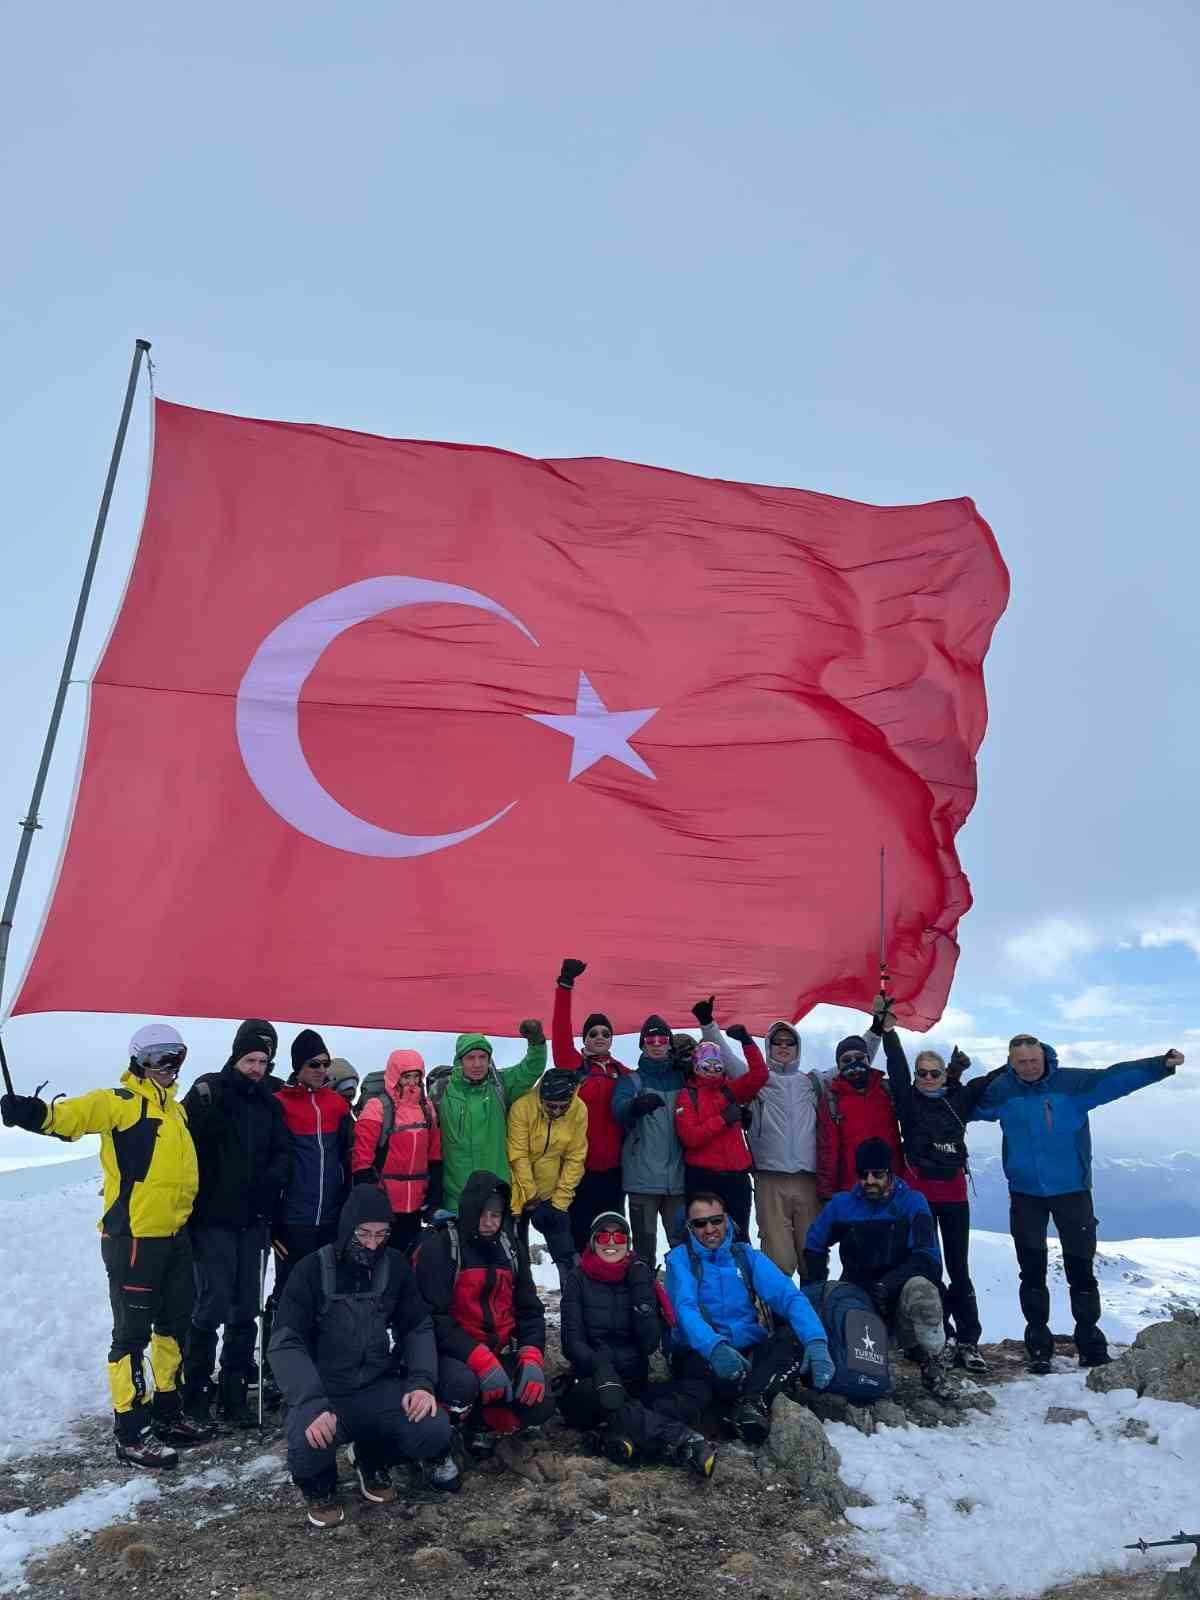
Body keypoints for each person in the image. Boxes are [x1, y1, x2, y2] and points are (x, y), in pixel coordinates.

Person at [1, 1023, 208, 1468]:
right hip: (134, 1239)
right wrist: (32, 1113)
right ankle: (130, 1432)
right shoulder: (121, 1102)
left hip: (175, 1237)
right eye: (158, 1057)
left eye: (176, 1056)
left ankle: (168, 1414)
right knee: (131, 1337)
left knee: (174, 1328)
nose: (168, 1066)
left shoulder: (176, 1111)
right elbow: (72, 1117)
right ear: (138, 1061)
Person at [969, 1035, 1184, 1373]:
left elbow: (1114, 1078)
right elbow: (966, 1106)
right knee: (1032, 1273)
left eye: (1033, 1061)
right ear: (1010, 1063)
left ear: (1045, 1058)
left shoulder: (1072, 1083)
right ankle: (1039, 1348)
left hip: (1072, 1191)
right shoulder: (1002, 1090)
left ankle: (1091, 1346)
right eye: (1021, 1063)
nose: (1028, 1068)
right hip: (1025, 1194)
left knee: (1081, 1271)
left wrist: (1159, 1066)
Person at [268, 1182, 454, 1525]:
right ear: (347, 1228)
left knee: (433, 1428)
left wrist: (421, 1382)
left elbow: (416, 1327)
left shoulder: (394, 1266)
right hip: (324, 1394)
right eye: (364, 1234)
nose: (372, 1244)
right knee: (308, 1443)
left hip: (375, 1386)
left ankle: (373, 1458)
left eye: (381, 1235)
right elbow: (285, 1342)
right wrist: (310, 1402)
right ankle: (320, 1487)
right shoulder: (310, 1270)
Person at [872, 995, 997, 1373]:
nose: (927, 1078)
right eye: (922, 1073)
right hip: (919, 1200)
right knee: (926, 1266)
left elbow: (989, 1080)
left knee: (959, 1267)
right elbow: (894, 1066)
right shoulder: (907, 1102)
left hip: (954, 1195)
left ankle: (968, 1341)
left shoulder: (958, 1100)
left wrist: (1019, 1063)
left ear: (944, 1075)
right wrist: (888, 1032)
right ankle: (937, 1338)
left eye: (934, 1072)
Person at [181, 1020, 292, 1427]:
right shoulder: (210, 1092)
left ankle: (233, 1396)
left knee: (246, 1308)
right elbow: (183, 1146)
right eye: (250, 1059)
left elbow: (283, 1150)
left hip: (253, 1222)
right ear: (236, 1056)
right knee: (210, 1303)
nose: (257, 1067)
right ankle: (194, 1395)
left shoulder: (269, 1102)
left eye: (263, 1060)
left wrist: (273, 1179)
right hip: (211, 1220)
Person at [665, 1191, 834, 1444]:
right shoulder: (680, 1260)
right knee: (709, 1383)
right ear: (689, 1228)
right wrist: (714, 1348)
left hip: (749, 1350)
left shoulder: (745, 1256)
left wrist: (816, 1340)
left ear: (728, 1220)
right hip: (701, 1352)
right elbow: (684, 1310)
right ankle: (756, 1398)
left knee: (794, 1339)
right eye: (700, 1223)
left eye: (716, 1220)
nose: (710, 1229)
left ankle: (750, 1404)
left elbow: (788, 1296)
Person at [559, 1211, 717, 1475]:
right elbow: (571, 1343)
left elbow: (648, 1343)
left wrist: (643, 1292)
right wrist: (601, 1368)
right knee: (608, 1399)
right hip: (591, 1386)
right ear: (593, 1242)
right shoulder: (577, 1279)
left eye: (619, 1235)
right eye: (603, 1236)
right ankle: (681, 1442)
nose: (611, 1242)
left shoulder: (639, 1277)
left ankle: (613, 1435)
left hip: (633, 1384)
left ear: (628, 1242)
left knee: (696, 1392)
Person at [412, 1170, 556, 1452]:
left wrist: (531, 1355)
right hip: (454, 1355)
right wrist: (478, 1359)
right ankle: (448, 1428)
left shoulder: (510, 1248)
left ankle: (481, 1422)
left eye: (496, 1215)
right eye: (483, 1214)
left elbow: (529, 1310)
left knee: (541, 1402)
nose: (489, 1222)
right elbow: (431, 1319)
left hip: (497, 1352)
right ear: (469, 1210)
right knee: (462, 1386)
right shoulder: (441, 1248)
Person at [805, 1136, 952, 1399]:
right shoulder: (842, 1205)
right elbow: (814, 1244)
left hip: (899, 1297)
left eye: (877, 1174)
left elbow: (928, 1258)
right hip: (859, 1298)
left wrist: (888, 1285)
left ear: (890, 1172)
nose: (869, 1181)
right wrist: (818, 1288)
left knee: (924, 1291)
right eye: (863, 1174)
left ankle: (934, 1364)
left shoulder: (913, 1203)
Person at [696, 1001, 825, 1281]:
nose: (783, 1046)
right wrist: (708, 1023)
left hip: (807, 1179)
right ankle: (780, 1319)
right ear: (768, 1047)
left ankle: (814, 1315)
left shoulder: (812, 1082)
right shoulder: (758, 1080)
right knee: (779, 1257)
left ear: (797, 1046)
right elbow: (728, 1060)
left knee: (811, 1253)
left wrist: (876, 1031)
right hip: (769, 1178)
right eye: (776, 1042)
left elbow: (852, 1063)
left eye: (789, 1042)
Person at [552, 959, 632, 1250]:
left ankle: (612, 1291)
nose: (599, 1037)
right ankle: (576, 1292)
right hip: (577, 1169)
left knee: (610, 1238)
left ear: (611, 1039)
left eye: (605, 1033)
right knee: (577, 1237)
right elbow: (560, 1033)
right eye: (593, 1033)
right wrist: (565, 986)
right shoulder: (574, 1066)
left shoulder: (623, 1073)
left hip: (614, 1171)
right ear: (585, 1039)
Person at [273, 1029, 353, 1300]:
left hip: (331, 1219)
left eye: (326, 1064)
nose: (321, 1070)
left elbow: (351, 1154)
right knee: (290, 1292)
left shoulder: (337, 1105)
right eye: (314, 1064)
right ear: (298, 1066)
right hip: (293, 1220)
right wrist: (272, 1221)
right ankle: (282, 1341)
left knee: (327, 1293)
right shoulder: (280, 1104)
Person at [438, 1021, 547, 1215]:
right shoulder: (441, 1091)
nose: (478, 1064)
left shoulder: (501, 1085)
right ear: (459, 1060)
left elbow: (531, 1069)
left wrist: (536, 1042)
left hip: (496, 1195)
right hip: (456, 1198)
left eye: (483, 1057)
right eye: (471, 1058)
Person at [674, 1024, 767, 1239]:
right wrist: (724, 1120)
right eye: (707, 1064)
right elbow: (690, 1137)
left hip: (736, 1176)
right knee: (704, 1237)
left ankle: (739, 1273)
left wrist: (747, 1042)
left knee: (739, 1237)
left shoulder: (730, 1089)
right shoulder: (688, 1096)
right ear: (696, 1066)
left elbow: (760, 1076)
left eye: (717, 1064)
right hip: (703, 1178)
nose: (713, 1069)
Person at [612, 1014, 687, 1267]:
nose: (656, 1043)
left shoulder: (683, 1079)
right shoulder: (631, 1081)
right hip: (642, 1181)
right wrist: (636, 1106)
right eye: (650, 1039)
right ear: (643, 1044)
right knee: (643, 1253)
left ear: (669, 1044)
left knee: (683, 1250)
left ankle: (679, 1303)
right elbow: (618, 1111)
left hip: (677, 1181)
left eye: (662, 1038)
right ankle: (646, 1304)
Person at [352, 1048, 443, 1252]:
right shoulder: (377, 1107)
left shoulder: (427, 1108)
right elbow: (362, 1158)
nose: (411, 1083)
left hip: (417, 1202)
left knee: (409, 1256)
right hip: (384, 1202)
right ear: (395, 1077)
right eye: (406, 1077)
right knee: (382, 1256)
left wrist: (435, 1190)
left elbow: (435, 1152)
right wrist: (369, 1194)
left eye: (416, 1077)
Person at [507, 1069, 587, 1281]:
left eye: (563, 1107)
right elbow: (518, 1154)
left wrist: (560, 1202)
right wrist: (531, 1195)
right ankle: (521, 1305)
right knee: (516, 1252)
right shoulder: (522, 1108)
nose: (557, 1112)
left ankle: (573, 1302)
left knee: (566, 1253)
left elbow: (576, 1157)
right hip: (518, 1188)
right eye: (551, 1106)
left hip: (553, 1189)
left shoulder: (579, 1110)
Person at [816, 1034, 902, 1202]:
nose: (853, 1064)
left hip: (892, 1189)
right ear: (838, 1066)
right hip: (853, 1192)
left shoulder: (886, 1090)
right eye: (846, 1060)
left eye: (859, 1057)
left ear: (868, 1059)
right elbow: (828, 1150)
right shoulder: (832, 1099)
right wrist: (827, 1194)